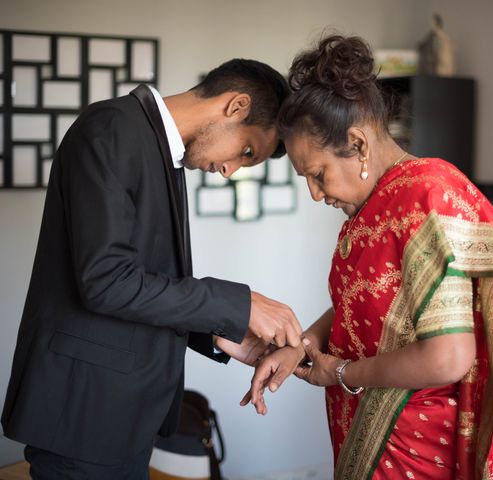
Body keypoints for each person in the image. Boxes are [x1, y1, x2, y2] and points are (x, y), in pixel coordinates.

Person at [244, 36, 493, 479]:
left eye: (318, 175)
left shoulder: (429, 196)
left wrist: (340, 372)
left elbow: (448, 357)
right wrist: (302, 347)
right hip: (369, 430)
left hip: (416, 447)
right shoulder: (377, 205)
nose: (315, 194)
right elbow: (361, 309)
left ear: (358, 145)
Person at [1, 59, 302, 479]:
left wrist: (218, 332)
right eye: (246, 150)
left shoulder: (164, 153)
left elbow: (144, 286)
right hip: (84, 417)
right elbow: (106, 281)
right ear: (235, 106)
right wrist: (240, 304)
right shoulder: (112, 128)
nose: (230, 169)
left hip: (122, 416)